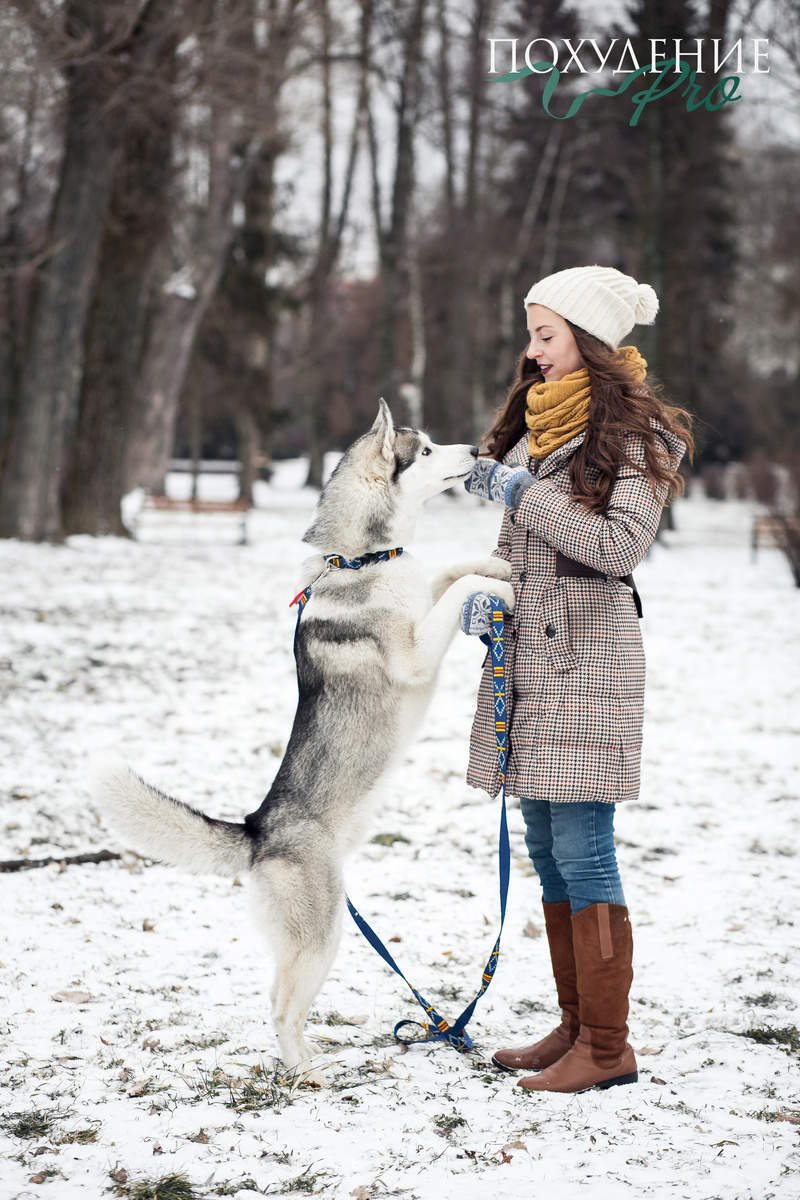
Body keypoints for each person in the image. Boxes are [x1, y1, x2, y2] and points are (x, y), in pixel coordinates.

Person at [462, 265, 693, 1094]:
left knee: (584, 849)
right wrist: (485, 598)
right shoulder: (538, 427)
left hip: (591, 663)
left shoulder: (639, 436)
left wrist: (522, 493)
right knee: (546, 846)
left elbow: (617, 547)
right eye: (531, 334)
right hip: (528, 662)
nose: (532, 351)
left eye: (546, 335)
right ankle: (576, 1027)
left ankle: (608, 1045)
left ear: (589, 341)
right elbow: (522, 553)